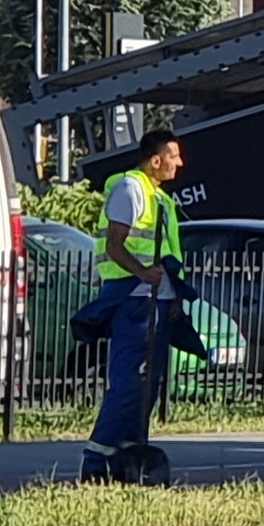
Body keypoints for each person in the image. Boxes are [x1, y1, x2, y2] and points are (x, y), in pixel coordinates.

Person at [83, 128, 191, 482]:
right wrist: (143, 273)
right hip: (134, 300)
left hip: (156, 302)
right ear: (156, 159)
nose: (180, 163)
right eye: (174, 156)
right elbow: (116, 244)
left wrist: (172, 295)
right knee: (130, 381)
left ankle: (129, 454)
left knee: (150, 382)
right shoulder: (130, 189)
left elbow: (167, 252)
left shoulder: (160, 198)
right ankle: (97, 459)